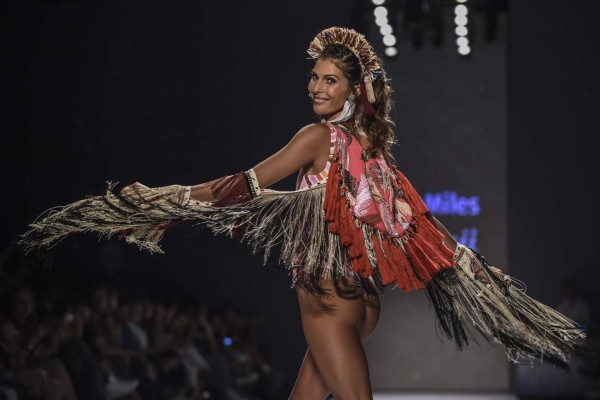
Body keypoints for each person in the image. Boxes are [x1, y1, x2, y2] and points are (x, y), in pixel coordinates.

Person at [19, 27, 586, 399]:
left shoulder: (326, 138)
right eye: (314, 76)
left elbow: (244, 185)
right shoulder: (367, 148)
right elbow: (406, 224)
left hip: (337, 301)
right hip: (350, 303)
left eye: (330, 80)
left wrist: (166, 197)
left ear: (354, 90)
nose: (317, 86)